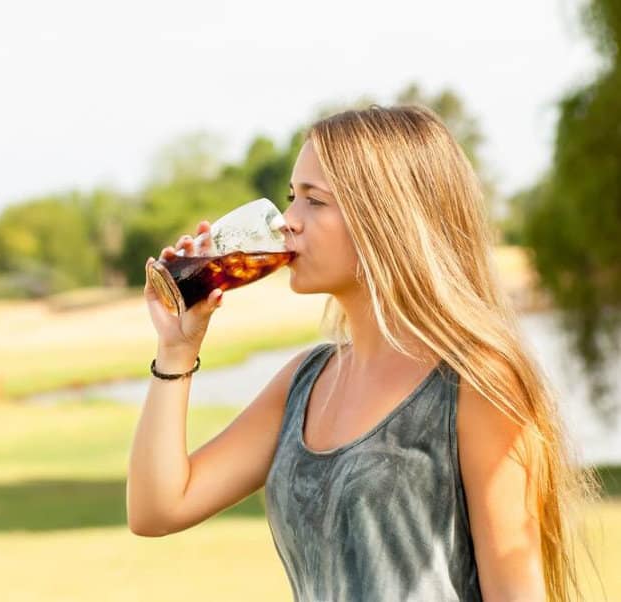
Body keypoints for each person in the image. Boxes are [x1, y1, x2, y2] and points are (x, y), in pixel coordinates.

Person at [126, 105, 601, 601]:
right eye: (293, 197)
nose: (287, 222)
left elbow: (517, 592)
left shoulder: (475, 383)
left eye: (314, 201)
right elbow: (158, 510)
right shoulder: (304, 382)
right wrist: (177, 349)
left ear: (385, 218)